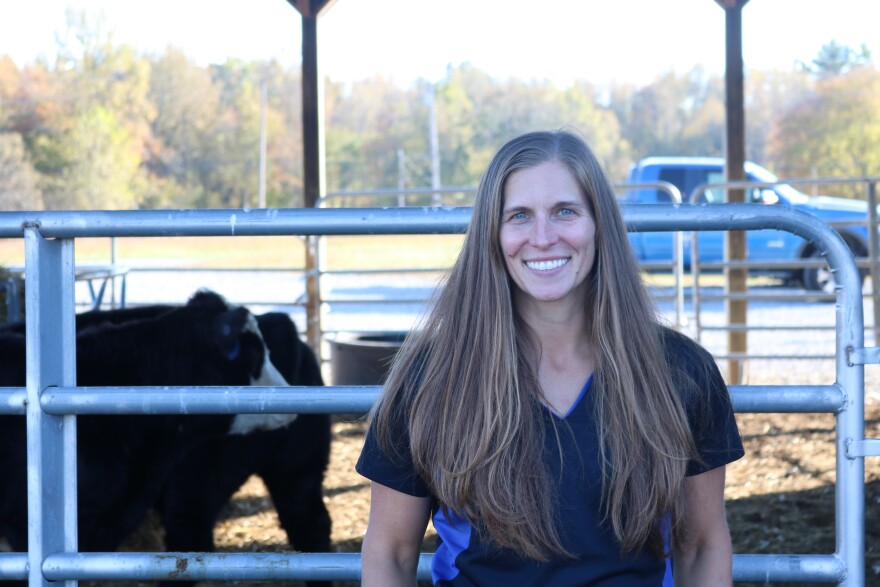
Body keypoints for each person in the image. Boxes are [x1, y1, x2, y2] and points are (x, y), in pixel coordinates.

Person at [356, 129, 744, 586]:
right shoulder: (431, 377)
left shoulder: (681, 372)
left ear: (598, 223)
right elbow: (391, 552)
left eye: (565, 211)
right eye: (519, 215)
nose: (542, 238)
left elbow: (701, 545)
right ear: (492, 234)